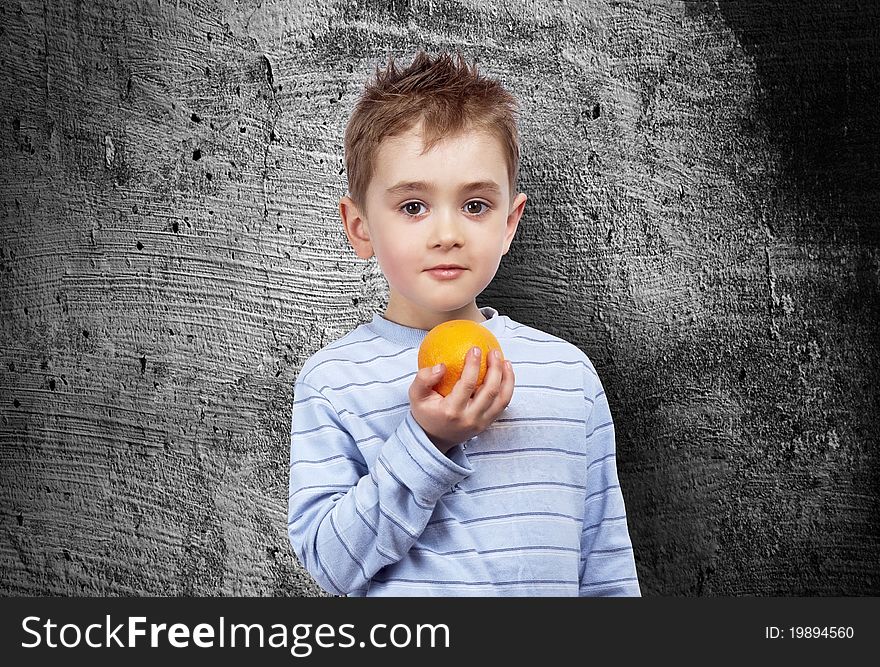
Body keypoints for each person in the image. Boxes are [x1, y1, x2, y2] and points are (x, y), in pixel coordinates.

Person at [287, 50, 641, 596]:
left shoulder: (567, 375)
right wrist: (426, 442)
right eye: (413, 207)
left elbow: (606, 568)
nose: (447, 232)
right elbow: (330, 567)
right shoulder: (334, 382)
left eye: (475, 205)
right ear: (360, 228)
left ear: (509, 223)